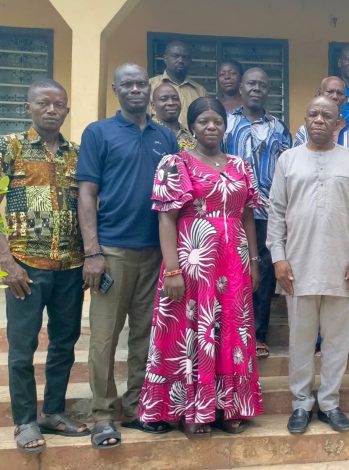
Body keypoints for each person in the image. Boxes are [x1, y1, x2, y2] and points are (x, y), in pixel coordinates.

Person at [138, 96, 263, 438]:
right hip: (194, 263)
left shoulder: (240, 166)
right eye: (204, 121)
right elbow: (166, 219)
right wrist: (172, 270)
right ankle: (193, 409)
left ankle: (228, 407)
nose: (211, 127)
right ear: (192, 126)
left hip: (234, 262)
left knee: (231, 331)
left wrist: (254, 262)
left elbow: (248, 216)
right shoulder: (175, 163)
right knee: (193, 334)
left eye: (217, 121)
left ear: (226, 125)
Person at [77, 63, 179, 449]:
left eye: (140, 84)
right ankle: (103, 414)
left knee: (146, 336)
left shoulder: (165, 137)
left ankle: (138, 406)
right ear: (116, 90)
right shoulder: (98, 133)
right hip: (113, 251)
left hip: (155, 253)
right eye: (128, 84)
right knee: (104, 337)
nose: (135, 89)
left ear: (149, 91)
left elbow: (175, 198)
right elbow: (87, 194)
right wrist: (92, 251)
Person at [267, 96, 349, 434]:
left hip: (342, 267)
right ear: (304, 119)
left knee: (337, 341)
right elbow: (276, 212)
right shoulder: (288, 160)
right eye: (312, 114)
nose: (318, 120)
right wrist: (278, 258)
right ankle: (301, 403)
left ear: (338, 123)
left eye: (326, 115)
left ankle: (329, 403)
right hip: (297, 266)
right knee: (300, 341)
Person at [2, 79, 89, 454]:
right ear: (28, 108)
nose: (52, 110)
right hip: (24, 267)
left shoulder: (78, 154)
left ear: (67, 110)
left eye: (59, 104)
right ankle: (24, 420)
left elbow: (88, 205)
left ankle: (53, 412)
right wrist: (7, 264)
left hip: (70, 266)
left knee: (64, 344)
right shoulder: (9, 147)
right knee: (22, 348)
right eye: (43, 103)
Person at [224, 67, 292, 360]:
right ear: (241, 87)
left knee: (261, 274)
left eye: (262, 85)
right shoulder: (226, 123)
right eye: (251, 83)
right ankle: (228, 337)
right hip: (229, 212)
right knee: (229, 272)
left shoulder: (279, 128)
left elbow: (287, 169)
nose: (256, 88)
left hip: (266, 213)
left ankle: (257, 335)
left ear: (268, 90)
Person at [294, 76, 349, 157]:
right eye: (330, 92)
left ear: (345, 100)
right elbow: (297, 160)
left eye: (339, 93)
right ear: (319, 94)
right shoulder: (304, 131)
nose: (335, 97)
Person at [149, 41, 207, 129]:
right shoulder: (150, 86)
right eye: (175, 56)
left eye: (185, 57)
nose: (180, 60)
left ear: (190, 61)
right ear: (165, 59)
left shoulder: (200, 91)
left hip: (190, 138)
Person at [150, 83, 195, 152]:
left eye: (175, 99)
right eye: (164, 99)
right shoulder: (147, 132)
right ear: (153, 106)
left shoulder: (189, 134)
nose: (171, 103)